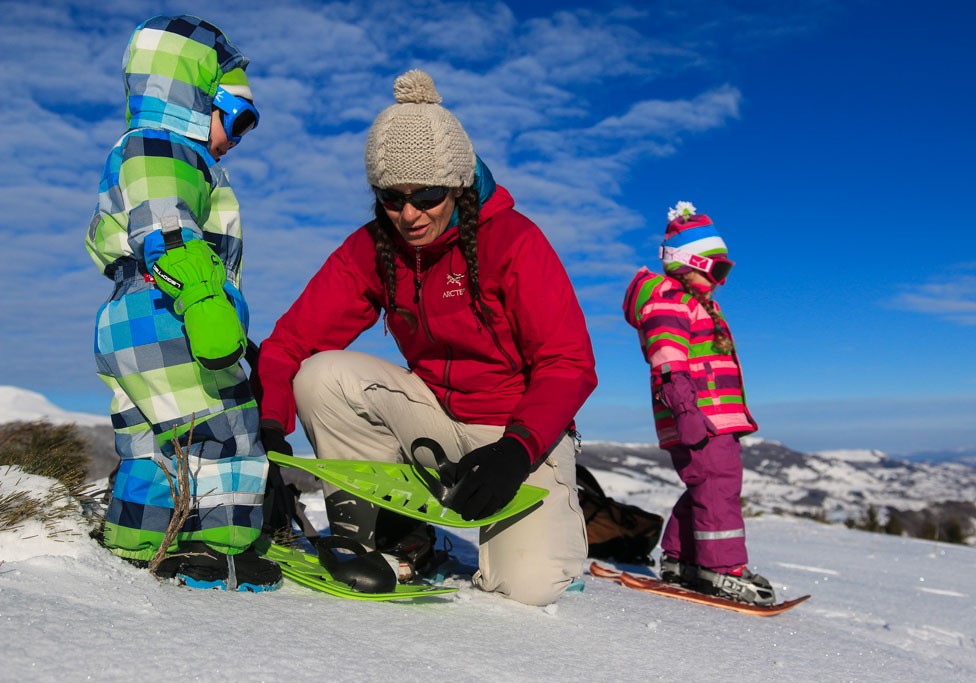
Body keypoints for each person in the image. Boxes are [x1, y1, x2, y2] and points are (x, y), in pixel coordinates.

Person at [256, 69, 597, 606]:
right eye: (392, 198)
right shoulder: (373, 247)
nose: (410, 215)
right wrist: (273, 423)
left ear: (458, 186)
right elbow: (291, 342)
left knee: (527, 591)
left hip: (514, 435)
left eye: (428, 195)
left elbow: (568, 361)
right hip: (433, 419)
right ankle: (382, 538)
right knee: (323, 374)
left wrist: (517, 448)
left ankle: (550, 529)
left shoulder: (514, 240)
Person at [86, 15, 280, 592]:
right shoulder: (165, 149)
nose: (238, 137)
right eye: (238, 117)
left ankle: (138, 536)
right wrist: (204, 302)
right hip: (169, 312)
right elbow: (167, 228)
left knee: (150, 442)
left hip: (131, 317)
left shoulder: (137, 149)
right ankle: (217, 549)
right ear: (194, 97)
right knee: (227, 433)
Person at [622, 201, 775, 605]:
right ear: (690, 261)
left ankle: (682, 557)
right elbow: (667, 359)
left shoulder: (696, 302)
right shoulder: (669, 297)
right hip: (699, 417)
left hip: (714, 418)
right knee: (717, 487)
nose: (723, 281)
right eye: (719, 270)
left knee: (706, 487)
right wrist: (686, 410)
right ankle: (720, 568)